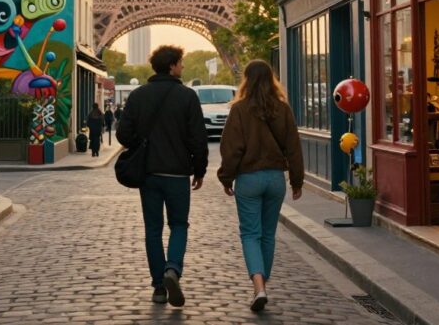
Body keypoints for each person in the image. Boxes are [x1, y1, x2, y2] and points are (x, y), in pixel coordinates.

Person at [117, 45, 208, 307]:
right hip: (178, 174)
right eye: (181, 62)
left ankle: (159, 287)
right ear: (172, 65)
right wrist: (199, 169)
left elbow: (123, 134)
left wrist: (142, 143)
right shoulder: (187, 96)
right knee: (179, 225)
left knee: (153, 230)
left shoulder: (138, 95)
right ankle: (173, 269)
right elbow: (198, 139)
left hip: (149, 173)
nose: (183, 67)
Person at [217, 59, 304, 312]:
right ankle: (263, 284)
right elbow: (294, 148)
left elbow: (231, 148)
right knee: (268, 234)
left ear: (246, 80)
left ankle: (258, 286)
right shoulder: (283, 109)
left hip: (249, 179)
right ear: (271, 79)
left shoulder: (240, 109)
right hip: (276, 179)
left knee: (250, 234)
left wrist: (226, 177)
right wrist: (297, 180)